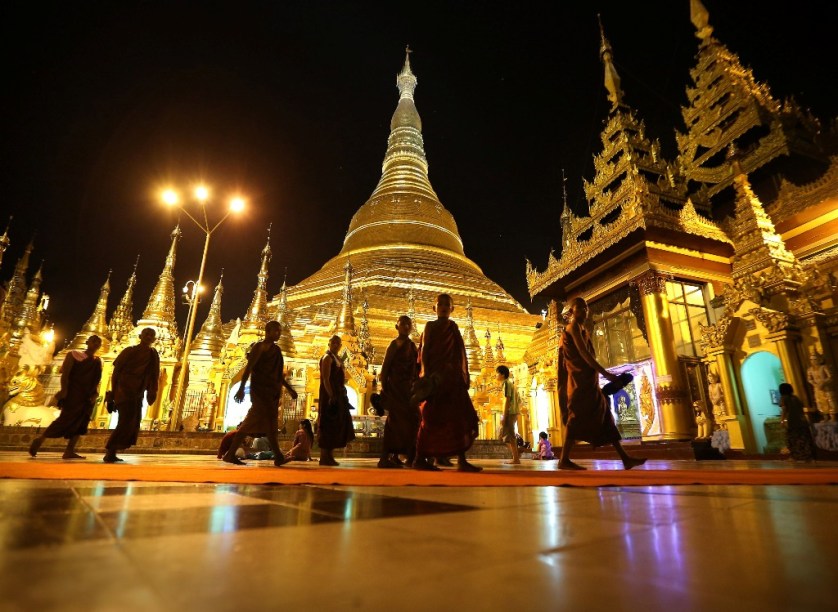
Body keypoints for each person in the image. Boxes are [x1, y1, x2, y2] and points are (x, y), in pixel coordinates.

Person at [557, 297, 646, 471]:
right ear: (572, 311)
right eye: (580, 308)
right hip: (578, 383)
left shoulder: (583, 329)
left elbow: (588, 354)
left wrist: (601, 375)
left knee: (605, 416)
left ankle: (625, 458)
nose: (585, 311)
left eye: (586, 308)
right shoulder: (573, 327)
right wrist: (606, 373)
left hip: (589, 382)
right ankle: (563, 460)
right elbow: (584, 354)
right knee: (574, 419)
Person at [415, 294, 481, 472]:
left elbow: (460, 353)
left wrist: (463, 375)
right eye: (440, 304)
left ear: (452, 309)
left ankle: (462, 459)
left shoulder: (453, 327)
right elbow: (426, 350)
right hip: (436, 379)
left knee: (460, 418)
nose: (443, 307)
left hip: (452, 379)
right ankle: (420, 457)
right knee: (431, 419)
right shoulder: (430, 326)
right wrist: (427, 375)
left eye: (447, 304)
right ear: (434, 308)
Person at [223, 320, 297, 467]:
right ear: (267, 331)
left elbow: (277, 375)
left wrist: (289, 388)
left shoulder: (276, 351)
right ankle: (230, 454)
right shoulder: (259, 347)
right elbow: (249, 368)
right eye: (276, 331)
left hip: (271, 392)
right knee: (249, 424)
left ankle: (278, 456)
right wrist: (241, 388)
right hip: (260, 392)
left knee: (271, 426)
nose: (279, 334)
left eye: (280, 331)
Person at [29, 335, 103, 459]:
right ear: (87, 342)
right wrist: (64, 390)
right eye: (93, 341)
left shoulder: (97, 361)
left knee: (81, 422)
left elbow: (96, 380)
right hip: (74, 392)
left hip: (87, 395)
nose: (96, 344)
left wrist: (95, 393)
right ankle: (40, 439)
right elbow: (66, 373)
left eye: (98, 342)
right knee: (65, 418)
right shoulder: (73, 355)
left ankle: (69, 450)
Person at [104, 327, 160, 463]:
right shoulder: (129, 351)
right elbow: (116, 372)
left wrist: (152, 391)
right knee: (125, 421)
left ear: (154, 339)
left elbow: (154, 375)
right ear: (140, 336)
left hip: (138, 392)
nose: (148, 336)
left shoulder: (153, 354)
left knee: (132, 422)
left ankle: (113, 450)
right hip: (124, 389)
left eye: (151, 335)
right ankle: (110, 450)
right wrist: (114, 391)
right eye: (146, 334)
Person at [378, 315, 420, 468]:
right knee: (394, 422)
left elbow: (416, 368)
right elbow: (386, 368)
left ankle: (402, 455)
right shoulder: (393, 345)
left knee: (412, 420)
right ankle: (384, 457)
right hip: (395, 389)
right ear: (397, 327)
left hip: (408, 389)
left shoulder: (411, 346)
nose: (406, 327)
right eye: (403, 324)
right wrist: (384, 387)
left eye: (409, 324)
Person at [317, 335, 356, 466]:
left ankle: (329, 455)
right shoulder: (327, 358)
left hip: (338, 395)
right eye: (333, 342)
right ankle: (324, 456)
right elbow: (326, 379)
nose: (335, 345)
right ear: (329, 344)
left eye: (338, 343)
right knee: (327, 424)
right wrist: (331, 395)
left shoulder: (337, 358)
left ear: (340, 346)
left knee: (336, 425)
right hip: (329, 396)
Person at [779, 383, 816, 462]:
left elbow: (784, 410)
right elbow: (801, 409)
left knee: (792, 439)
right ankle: (807, 456)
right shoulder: (795, 398)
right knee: (803, 439)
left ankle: (795, 456)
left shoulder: (784, 398)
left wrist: (782, 420)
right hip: (802, 421)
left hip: (792, 422)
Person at [496, 364, 520, 465]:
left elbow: (507, 400)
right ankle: (516, 456)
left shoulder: (506, 383)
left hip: (510, 412)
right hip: (513, 411)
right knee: (505, 436)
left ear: (502, 374)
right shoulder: (510, 384)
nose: (496, 376)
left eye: (497, 374)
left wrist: (504, 416)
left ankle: (516, 458)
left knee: (509, 435)